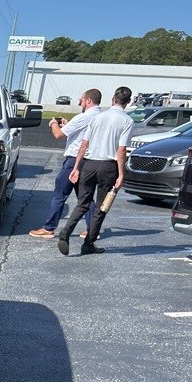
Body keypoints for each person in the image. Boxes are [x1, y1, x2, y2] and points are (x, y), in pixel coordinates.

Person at [57, 86, 135, 256]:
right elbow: (121, 150)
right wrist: (121, 174)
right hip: (108, 166)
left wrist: (76, 167)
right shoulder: (127, 121)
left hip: (89, 164)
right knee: (100, 207)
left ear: (113, 99)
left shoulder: (97, 118)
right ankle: (88, 243)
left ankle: (66, 231)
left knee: (82, 203)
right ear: (127, 102)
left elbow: (84, 144)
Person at [29, 89, 102, 238]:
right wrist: (68, 125)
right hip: (90, 161)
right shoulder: (100, 117)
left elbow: (58, 135)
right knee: (86, 197)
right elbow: (82, 134)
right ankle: (93, 230)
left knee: (59, 194)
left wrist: (54, 124)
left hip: (74, 160)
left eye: (81, 100)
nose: (79, 102)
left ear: (88, 100)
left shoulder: (83, 117)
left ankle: (49, 228)